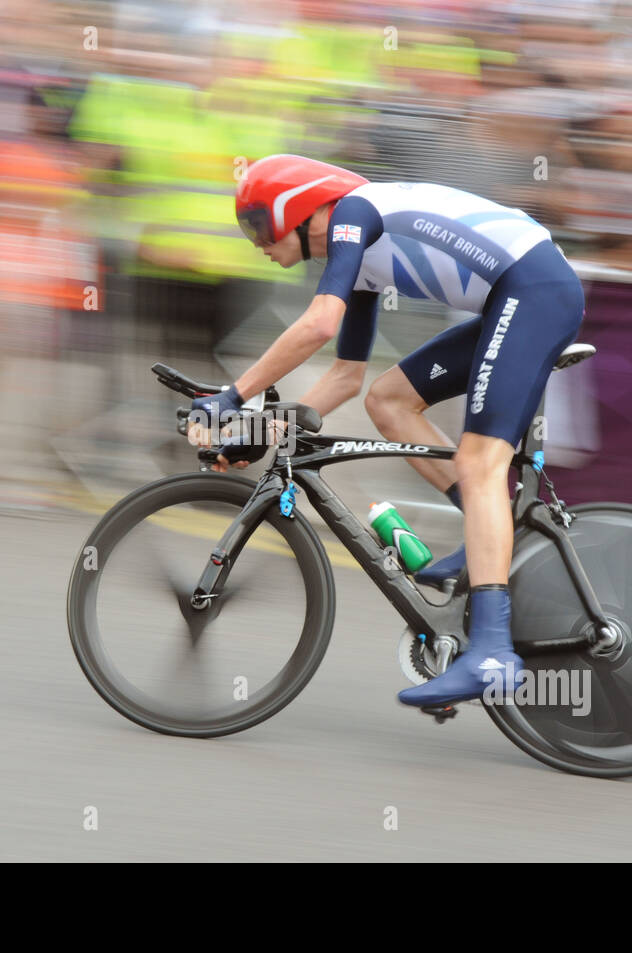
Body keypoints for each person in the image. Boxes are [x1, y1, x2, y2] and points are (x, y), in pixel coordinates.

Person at [186, 154, 584, 708]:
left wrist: (231, 398)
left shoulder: (355, 213)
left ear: (298, 210)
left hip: (535, 291)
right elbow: (346, 378)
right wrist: (263, 430)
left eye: (258, 226)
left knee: (479, 462)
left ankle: (493, 652)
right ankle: (486, 537)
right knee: (388, 399)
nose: (257, 243)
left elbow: (319, 323)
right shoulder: (365, 257)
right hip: (512, 300)